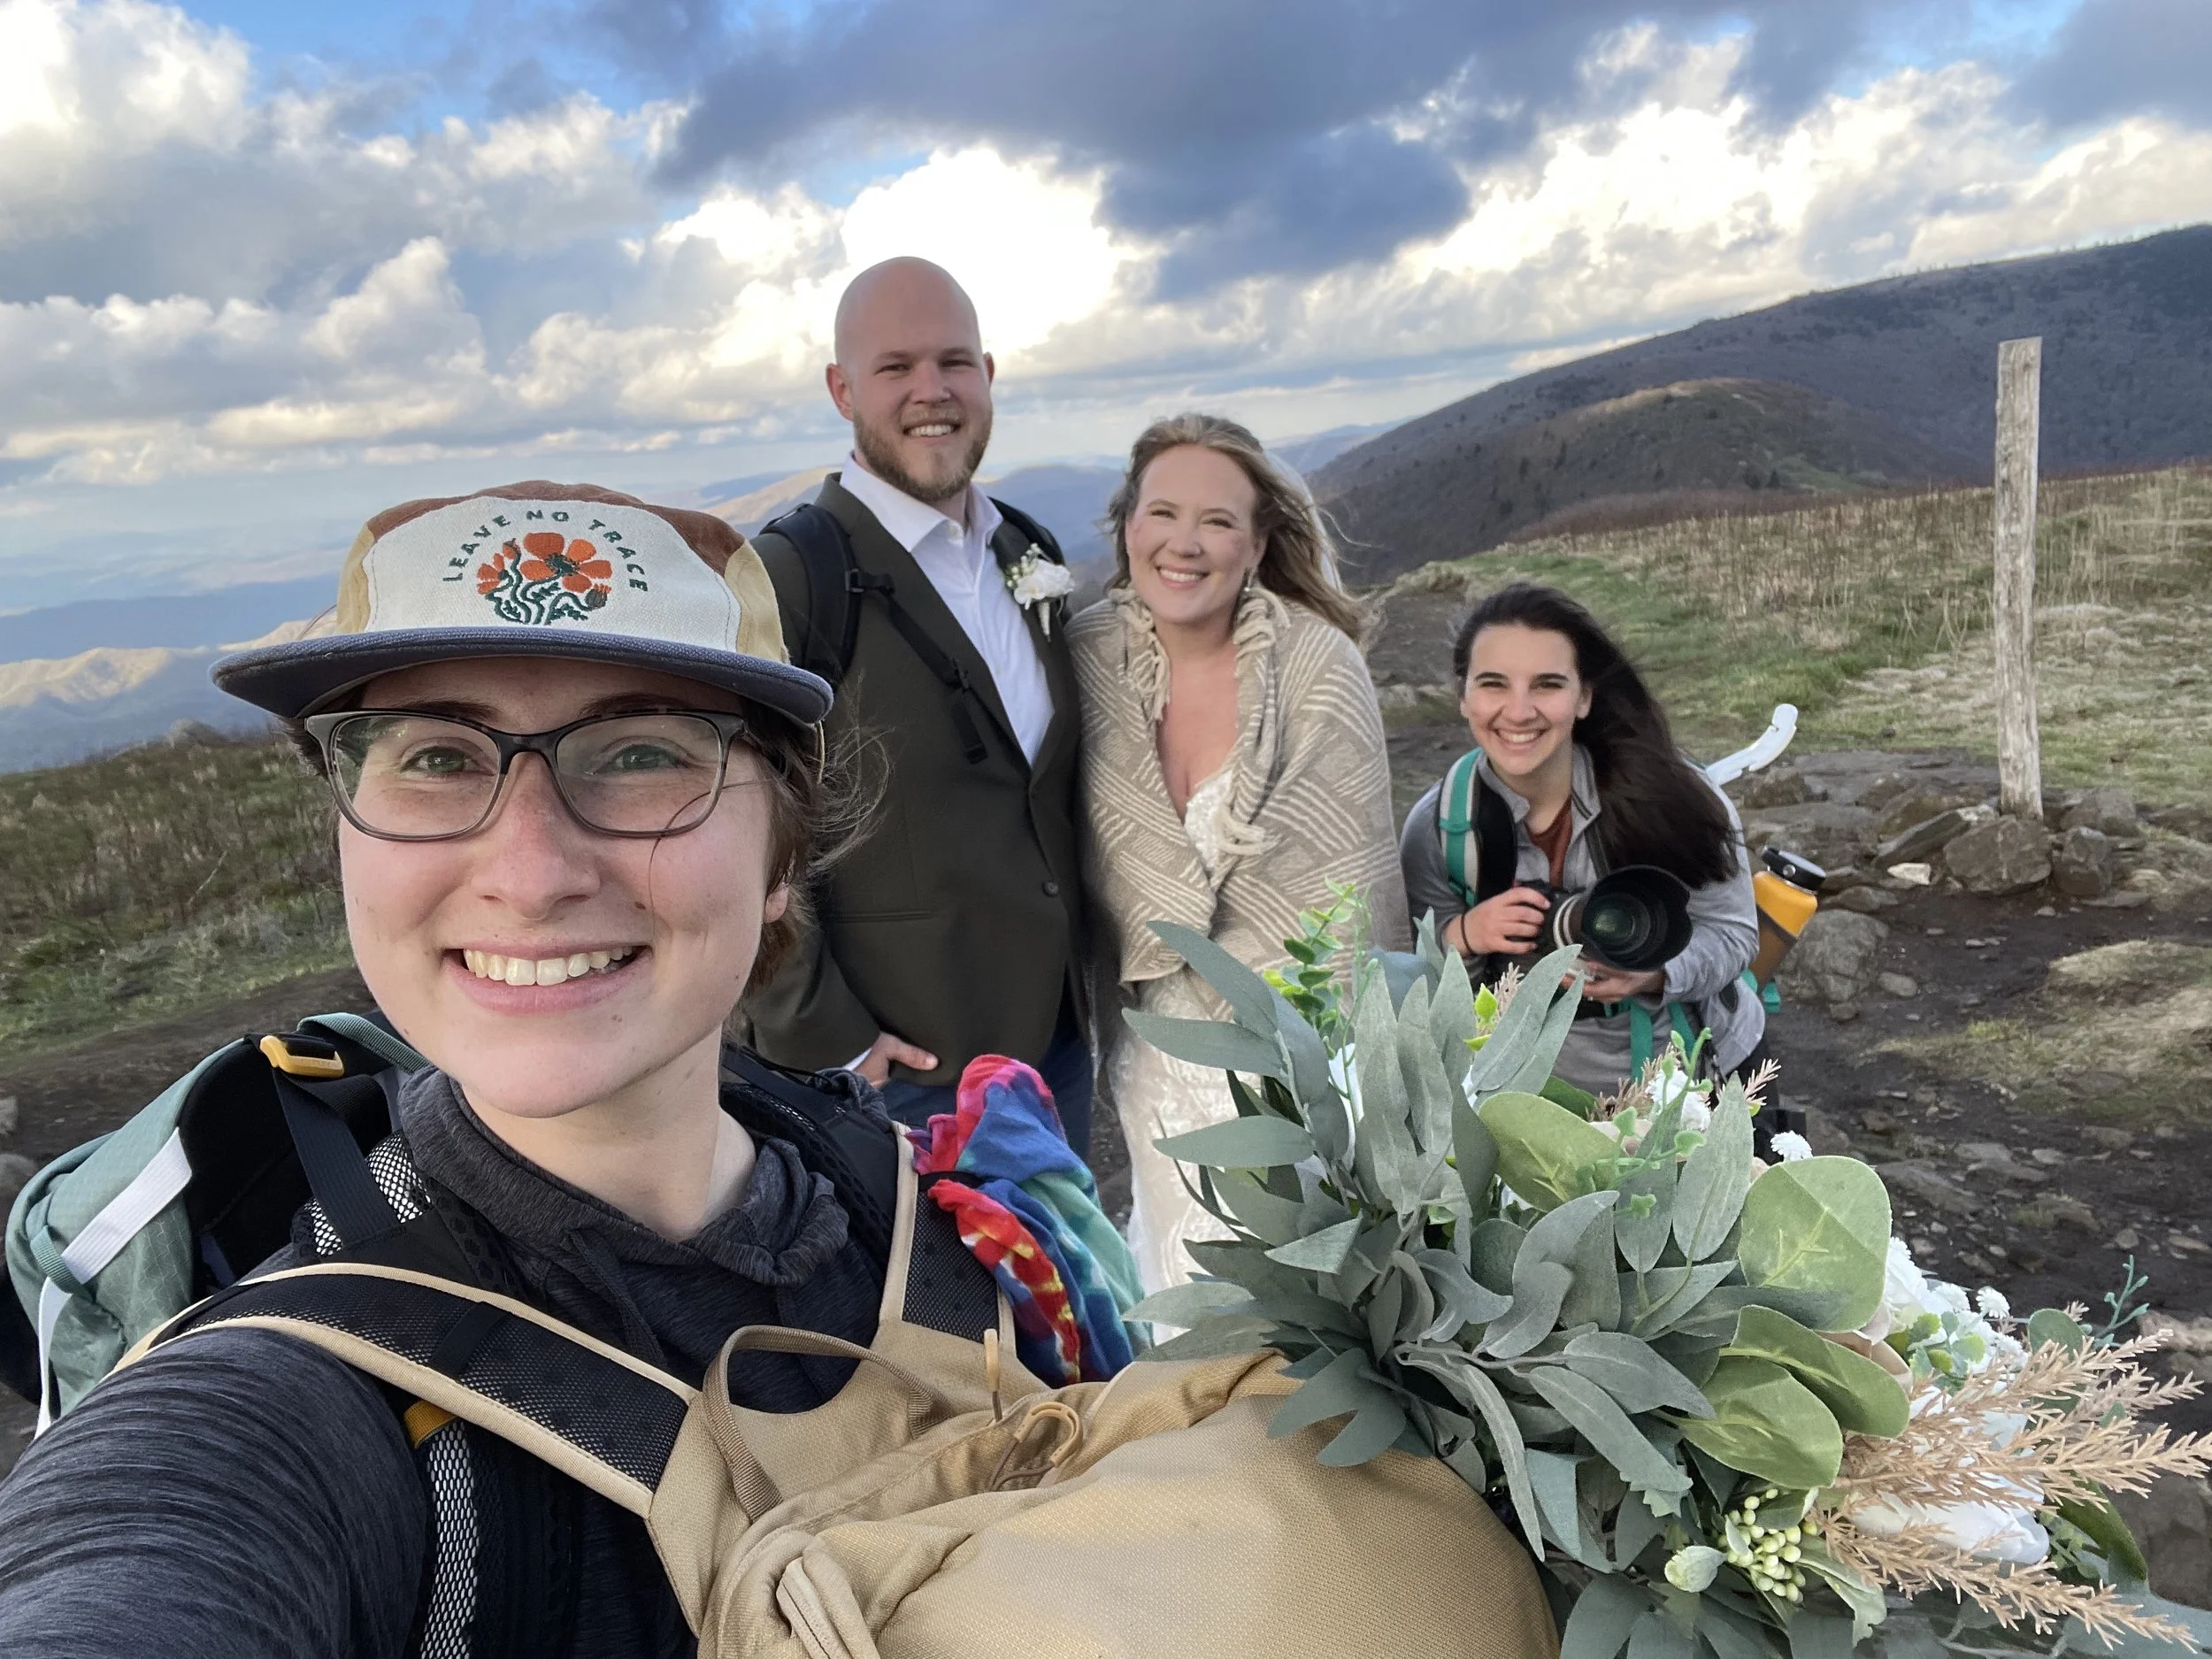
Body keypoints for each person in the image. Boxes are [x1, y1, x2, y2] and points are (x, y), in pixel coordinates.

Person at [0, 480, 950, 1654]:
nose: (532, 868)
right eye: (439, 756)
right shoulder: (284, 1407)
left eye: (643, 750)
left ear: (778, 854)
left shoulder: (928, 1207)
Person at [745, 258, 1093, 1153]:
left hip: (1057, 1041)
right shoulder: (793, 578)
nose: (931, 391)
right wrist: (830, 1038)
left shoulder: (1026, 545)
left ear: (987, 375)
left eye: (954, 362)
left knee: (1065, 1293)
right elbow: (730, 824)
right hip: (907, 1079)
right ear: (841, 388)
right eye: (896, 367)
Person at [1071, 414, 1408, 1294]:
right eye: (1162, 513)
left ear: (1257, 544)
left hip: (1302, 1053)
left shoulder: (1316, 668)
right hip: (1153, 1051)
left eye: (1218, 522)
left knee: (1305, 1308)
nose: (1185, 543)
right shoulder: (1083, 662)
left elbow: (1351, 893)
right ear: (1128, 528)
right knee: (1180, 1291)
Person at [1400, 581, 1766, 1103]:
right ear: (1464, 698)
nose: (1519, 711)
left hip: (1695, 1072)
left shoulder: (1674, 798)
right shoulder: (1439, 829)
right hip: (1536, 1092)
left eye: (1547, 684)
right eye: (1493, 684)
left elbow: (1733, 935)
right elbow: (1414, 987)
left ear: (1585, 696)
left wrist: (1654, 974)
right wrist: (1464, 934)